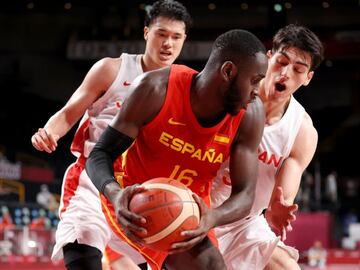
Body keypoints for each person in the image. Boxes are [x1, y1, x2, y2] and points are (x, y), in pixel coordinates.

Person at [86, 29, 268, 270]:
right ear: (228, 71)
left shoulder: (251, 115)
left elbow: (245, 195)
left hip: (190, 209)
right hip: (135, 201)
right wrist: (116, 194)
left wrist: (212, 216)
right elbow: (100, 154)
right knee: (209, 266)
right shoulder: (155, 89)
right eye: (255, 80)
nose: (257, 91)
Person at [30, 1, 192, 269]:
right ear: (146, 33)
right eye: (161, 34)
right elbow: (69, 113)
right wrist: (49, 132)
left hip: (141, 192)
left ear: (184, 40)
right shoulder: (112, 69)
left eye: (176, 37)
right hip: (92, 182)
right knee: (84, 252)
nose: (168, 44)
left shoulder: (184, 87)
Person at [211, 24, 324, 270]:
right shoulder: (230, 94)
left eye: (298, 69)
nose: (285, 73)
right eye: (282, 62)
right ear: (269, 57)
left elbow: (283, 194)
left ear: (308, 78)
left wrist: (277, 209)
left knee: (287, 267)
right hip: (195, 209)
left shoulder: (301, 131)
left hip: (244, 224)